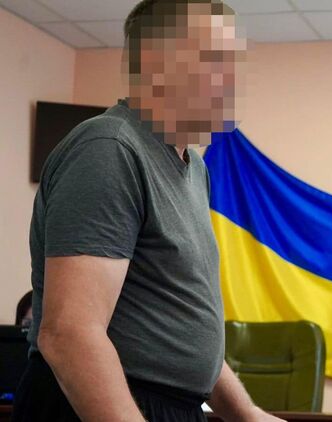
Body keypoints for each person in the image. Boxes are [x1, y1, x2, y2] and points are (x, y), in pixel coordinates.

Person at [12, 1, 280, 421]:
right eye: (215, 59)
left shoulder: (195, 169)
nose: (232, 76)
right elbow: (69, 334)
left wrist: (246, 413)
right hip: (101, 401)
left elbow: (180, 323)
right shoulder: (110, 148)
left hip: (171, 405)